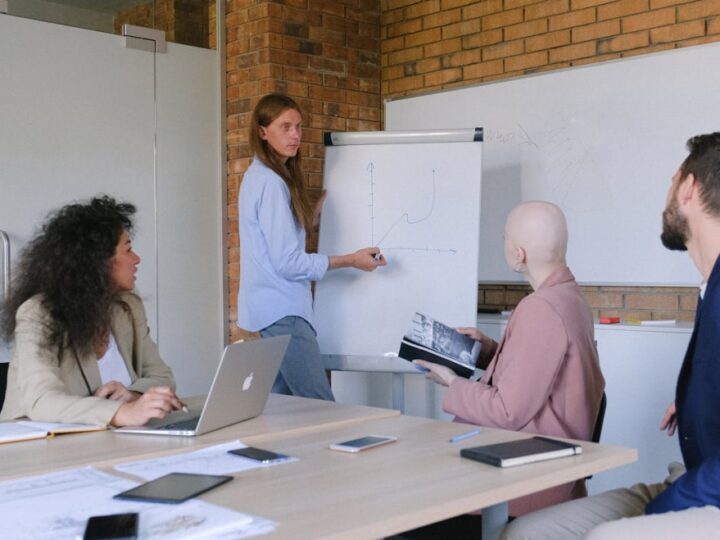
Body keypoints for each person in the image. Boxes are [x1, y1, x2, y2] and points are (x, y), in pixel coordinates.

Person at [502, 133, 720, 539]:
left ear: (689, 187)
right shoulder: (709, 285)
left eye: (672, 182)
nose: (666, 196)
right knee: (525, 533)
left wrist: (662, 512)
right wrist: (696, 399)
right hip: (692, 478)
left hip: (706, 497)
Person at [409, 201, 605, 534]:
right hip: (551, 466)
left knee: (407, 503)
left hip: (524, 479)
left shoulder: (540, 308)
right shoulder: (569, 297)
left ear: (519, 254)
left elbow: (507, 410)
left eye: (504, 238)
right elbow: (543, 370)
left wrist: (452, 382)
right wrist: (488, 352)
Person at [237, 93, 386, 401]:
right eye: (285, 127)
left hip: (271, 311)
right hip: (284, 312)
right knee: (321, 406)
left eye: (299, 127)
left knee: (281, 408)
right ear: (262, 132)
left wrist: (308, 220)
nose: (295, 135)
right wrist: (351, 260)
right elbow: (288, 263)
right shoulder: (271, 183)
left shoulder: (259, 177)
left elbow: (272, 246)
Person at [0, 196, 183, 427]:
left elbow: (163, 377)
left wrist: (133, 395)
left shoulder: (128, 307)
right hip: (36, 449)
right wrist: (121, 412)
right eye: (128, 250)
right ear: (97, 262)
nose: (137, 259)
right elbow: (41, 400)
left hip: (109, 441)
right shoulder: (38, 313)